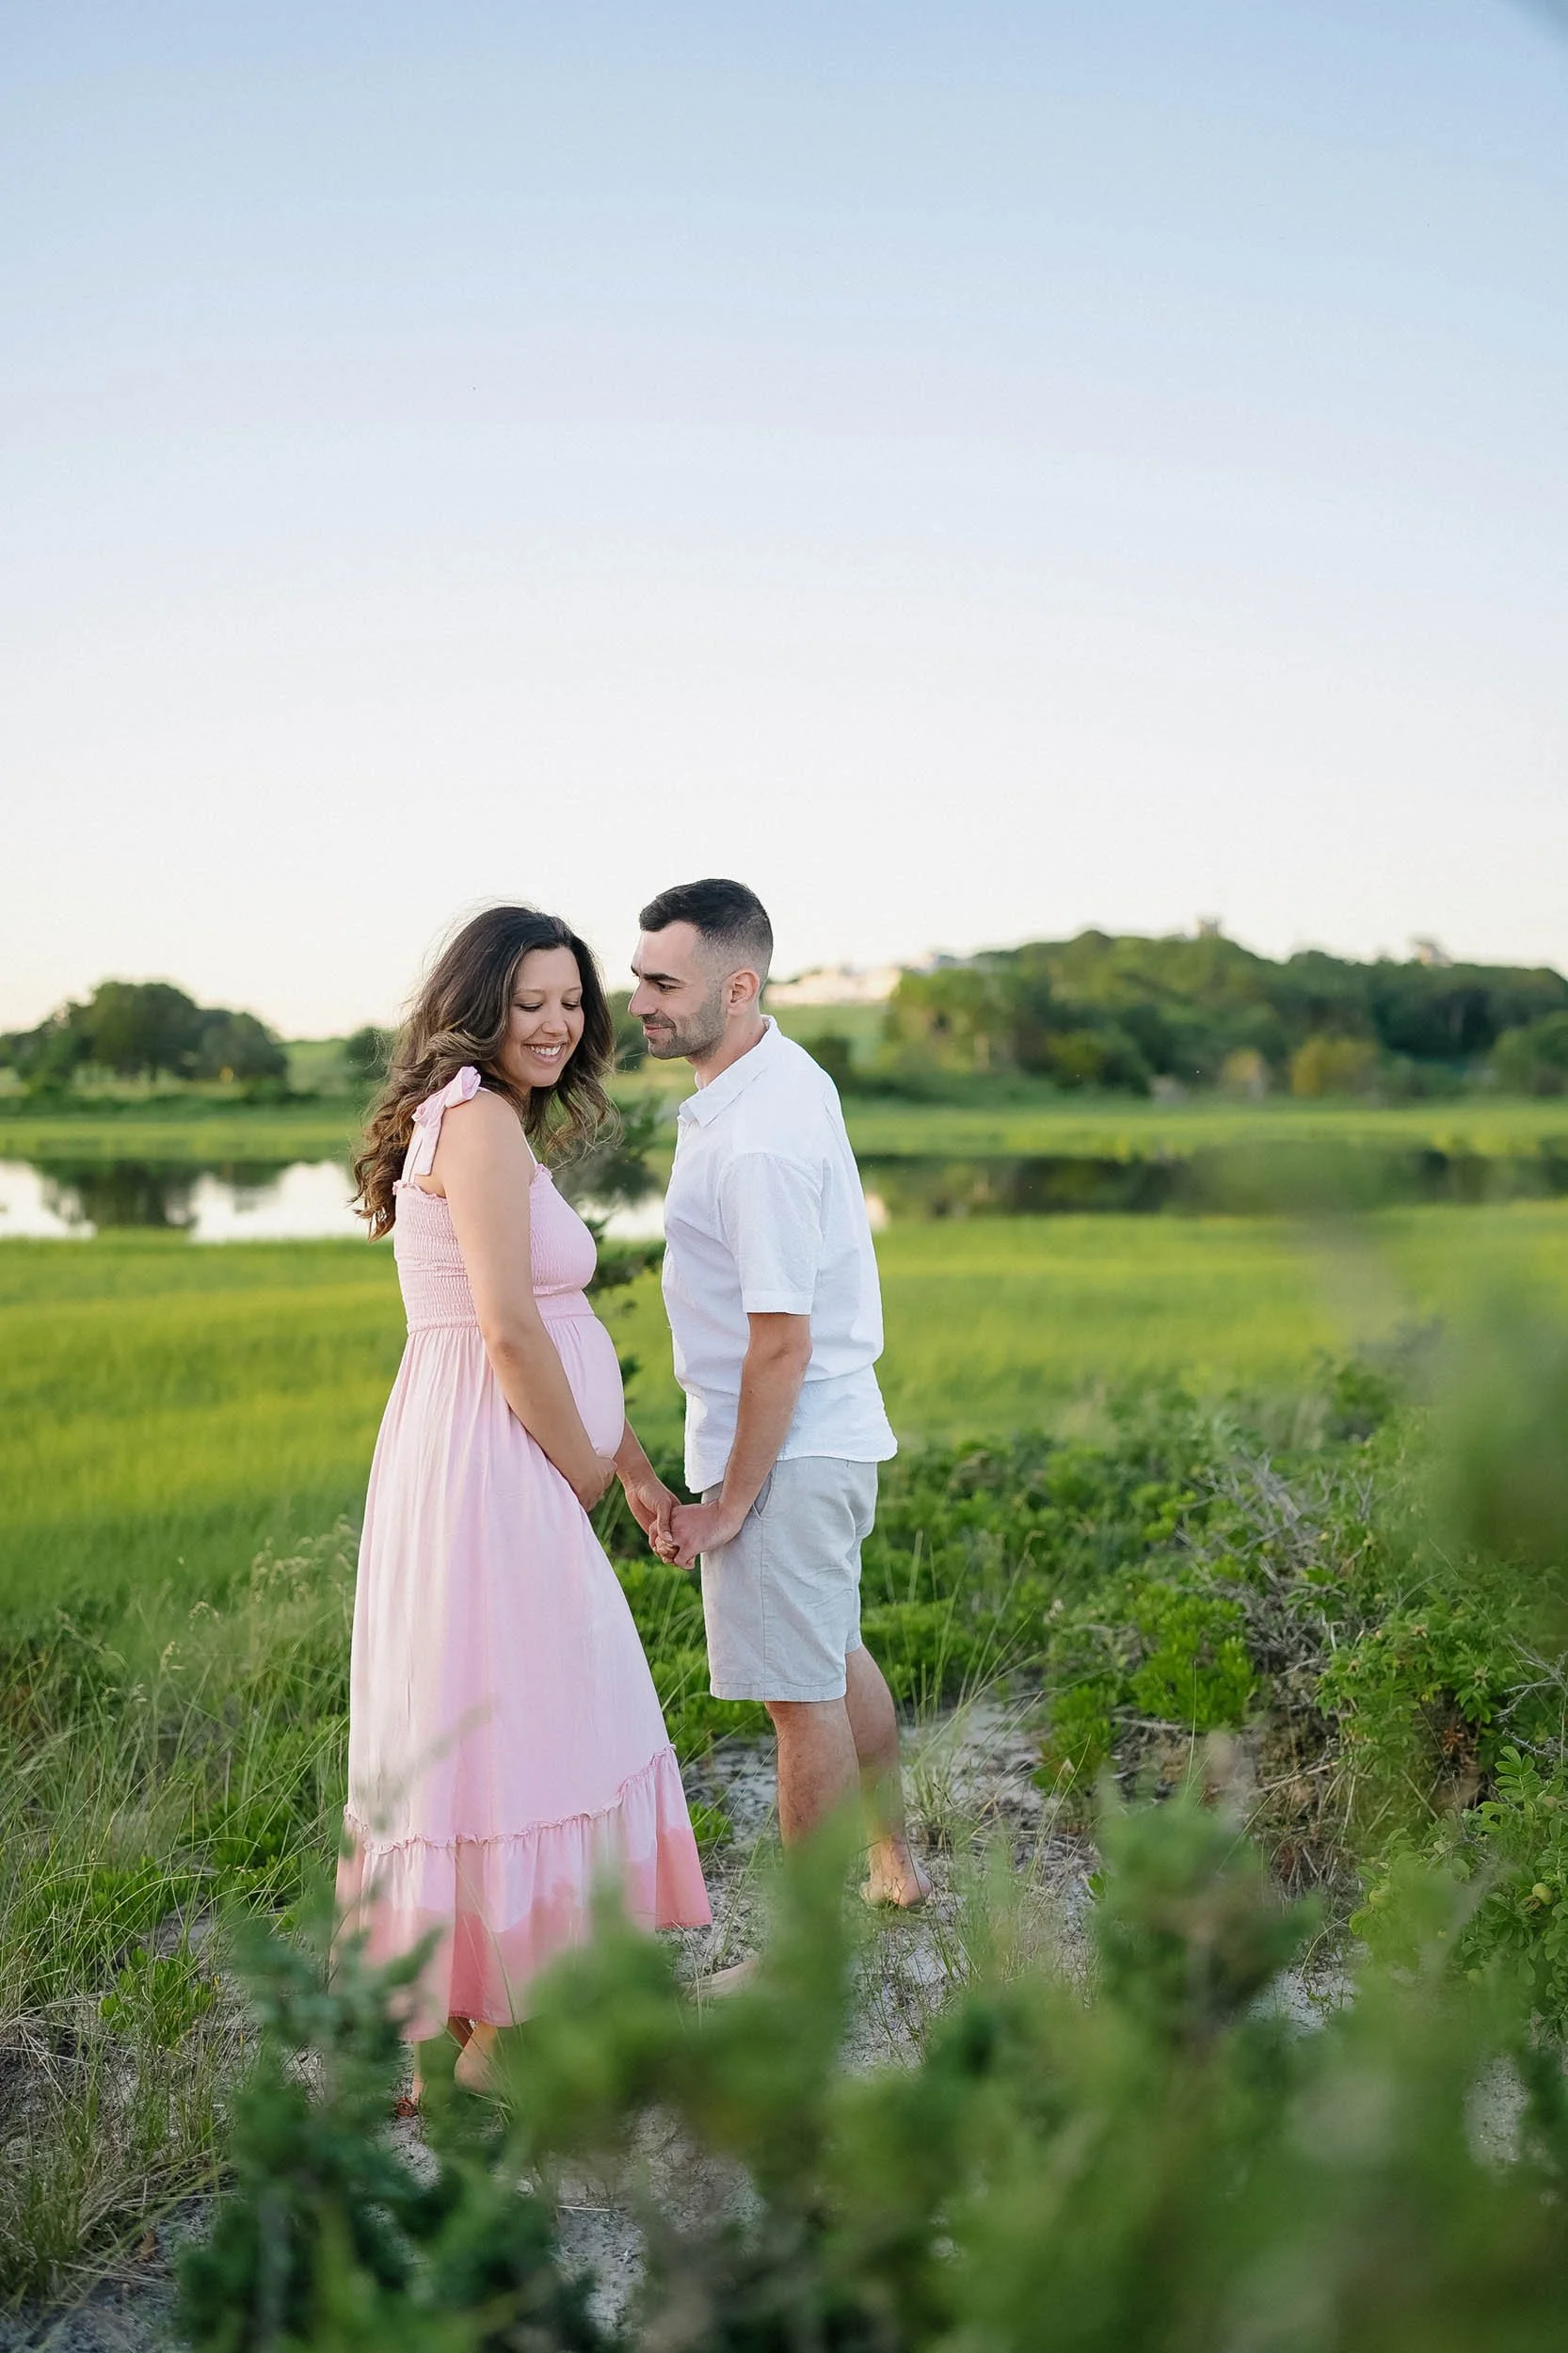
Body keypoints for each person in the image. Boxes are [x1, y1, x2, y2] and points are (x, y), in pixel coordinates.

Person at [339, 904, 711, 2093]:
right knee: (537, 1719)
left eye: (570, 1002)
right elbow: (507, 1331)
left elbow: (559, 1322)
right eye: (529, 1002)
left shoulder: (476, 1119)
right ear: (476, 1004)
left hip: (485, 1449)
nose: (555, 1024)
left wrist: (635, 1466)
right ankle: (497, 2041)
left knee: (494, 1718)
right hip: (497, 1458)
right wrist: (587, 1469)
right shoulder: (482, 1128)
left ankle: (472, 2028)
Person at [629, 877, 929, 1911]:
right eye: (637, 977)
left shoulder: (755, 1135)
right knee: (834, 1656)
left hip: (784, 1453)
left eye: (663, 982)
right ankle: (894, 1869)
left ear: (739, 986)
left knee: (797, 1701)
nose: (639, 1002)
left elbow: (777, 1345)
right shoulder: (782, 1076)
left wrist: (727, 1501)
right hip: (828, 1443)